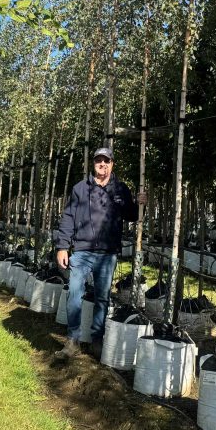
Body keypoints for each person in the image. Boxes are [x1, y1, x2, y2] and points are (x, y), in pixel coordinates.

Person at [53, 146, 141, 360]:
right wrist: (62, 247)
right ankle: (72, 339)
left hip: (107, 253)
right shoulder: (80, 188)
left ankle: (97, 340)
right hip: (81, 251)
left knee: (102, 298)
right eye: (98, 160)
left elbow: (131, 215)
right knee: (74, 293)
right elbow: (68, 217)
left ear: (112, 164)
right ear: (93, 164)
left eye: (106, 160)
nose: (102, 164)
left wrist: (141, 204)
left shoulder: (120, 189)